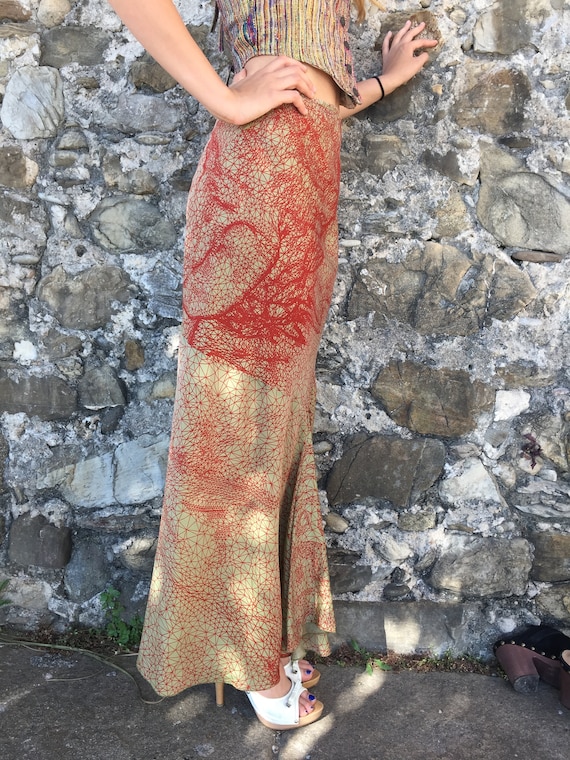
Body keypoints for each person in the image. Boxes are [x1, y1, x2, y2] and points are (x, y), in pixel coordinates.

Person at [107, 0, 437, 730]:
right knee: (236, 428)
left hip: (307, 197)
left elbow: (307, 89)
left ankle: (262, 636)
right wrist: (226, 100)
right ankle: (245, 655)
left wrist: (380, 82)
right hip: (256, 189)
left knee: (274, 428)